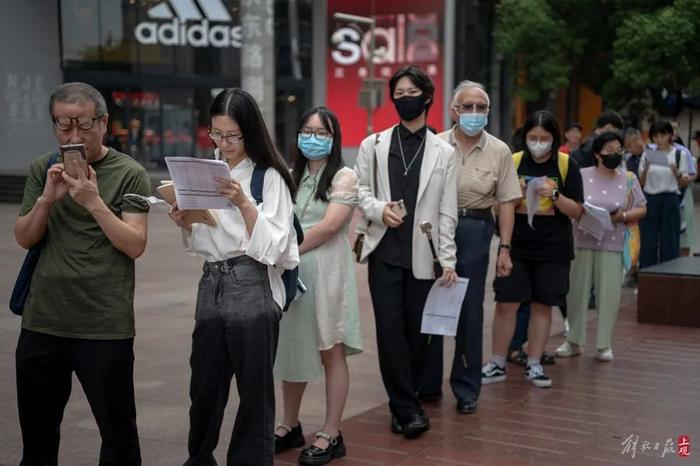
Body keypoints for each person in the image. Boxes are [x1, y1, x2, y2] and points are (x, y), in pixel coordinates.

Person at [14, 82, 150, 465]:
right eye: (63, 125)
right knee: (37, 439)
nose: (74, 135)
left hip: (103, 326)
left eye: (84, 124)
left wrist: (93, 202)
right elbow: (25, 237)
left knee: (119, 438)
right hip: (43, 322)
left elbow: (135, 244)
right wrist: (46, 199)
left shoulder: (130, 173)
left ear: (104, 122)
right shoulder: (43, 169)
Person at [169, 88, 299, 466]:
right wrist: (186, 220)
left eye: (232, 136)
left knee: (255, 392)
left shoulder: (269, 175)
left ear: (250, 132)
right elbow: (204, 239)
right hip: (211, 281)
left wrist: (243, 201)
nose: (224, 144)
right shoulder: (208, 167)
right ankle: (199, 457)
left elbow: (277, 246)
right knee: (204, 385)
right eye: (216, 134)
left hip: (252, 280)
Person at [354, 65, 457, 438]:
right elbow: (359, 192)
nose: (405, 98)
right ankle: (406, 408)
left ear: (427, 97)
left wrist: (448, 259)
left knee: (417, 332)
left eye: (411, 92)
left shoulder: (444, 152)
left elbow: (447, 210)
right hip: (384, 251)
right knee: (389, 332)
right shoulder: (374, 145)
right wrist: (377, 209)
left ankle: (406, 402)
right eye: (398, 93)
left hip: (423, 255)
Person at [273, 107, 363, 465]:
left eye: (322, 133)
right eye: (307, 130)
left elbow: (329, 227)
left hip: (326, 272)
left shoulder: (344, 176)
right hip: (291, 272)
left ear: (334, 138)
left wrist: (285, 251)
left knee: (331, 349)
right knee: (291, 345)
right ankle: (288, 424)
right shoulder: (287, 175)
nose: (313, 138)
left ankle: (331, 432)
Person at [431, 80, 521, 415]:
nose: (473, 113)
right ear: (454, 110)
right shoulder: (435, 144)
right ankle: (427, 383)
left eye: (480, 107)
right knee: (432, 302)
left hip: (475, 229)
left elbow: (508, 202)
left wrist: (505, 247)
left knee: (469, 309)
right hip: (436, 227)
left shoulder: (499, 150)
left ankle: (466, 387)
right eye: (467, 106)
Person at [481, 110, 584, 389]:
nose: (538, 143)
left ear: (555, 139)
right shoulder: (513, 162)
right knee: (506, 303)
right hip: (516, 246)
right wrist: (517, 194)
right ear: (524, 137)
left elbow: (577, 211)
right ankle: (497, 362)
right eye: (532, 137)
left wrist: (554, 195)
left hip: (554, 249)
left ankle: (534, 363)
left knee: (542, 305)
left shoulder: (566, 164)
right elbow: (498, 204)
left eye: (545, 138)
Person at [556, 132, 646, 362]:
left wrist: (623, 216)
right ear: (597, 153)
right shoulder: (582, 175)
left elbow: (642, 207)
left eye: (618, 150)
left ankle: (604, 344)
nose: (613, 154)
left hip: (612, 244)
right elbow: (570, 202)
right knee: (576, 292)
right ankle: (573, 340)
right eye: (608, 150)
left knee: (609, 295)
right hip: (581, 240)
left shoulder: (628, 178)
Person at [639, 120, 689, 268]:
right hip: (650, 198)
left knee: (671, 240)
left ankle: (669, 276)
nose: (659, 139)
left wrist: (676, 172)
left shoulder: (679, 154)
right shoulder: (647, 153)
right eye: (655, 136)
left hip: (670, 198)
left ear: (670, 135)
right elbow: (641, 183)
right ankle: (647, 277)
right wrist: (647, 167)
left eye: (663, 135)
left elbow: (685, 183)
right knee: (648, 240)